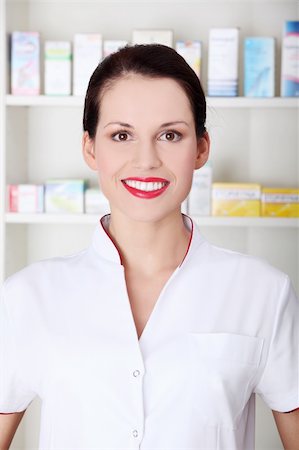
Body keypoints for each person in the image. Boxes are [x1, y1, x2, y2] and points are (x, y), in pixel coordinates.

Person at [0, 44, 298, 450]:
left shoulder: (263, 291)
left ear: (201, 149)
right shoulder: (27, 297)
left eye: (170, 135)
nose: (146, 160)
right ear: (90, 148)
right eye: (121, 135)